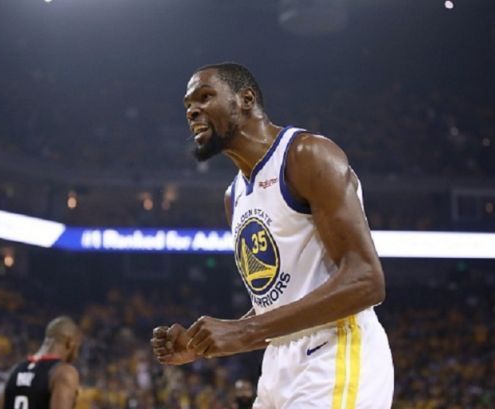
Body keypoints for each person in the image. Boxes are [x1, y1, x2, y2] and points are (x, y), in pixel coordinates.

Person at [151, 62, 394, 408]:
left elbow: (367, 281)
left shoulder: (306, 155)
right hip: (279, 365)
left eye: (205, 97)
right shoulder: (233, 198)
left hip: (336, 351)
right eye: (188, 104)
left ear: (246, 100)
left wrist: (242, 332)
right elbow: (277, 304)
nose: (192, 110)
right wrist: (201, 344)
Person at [2, 316, 81, 409]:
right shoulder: (64, 373)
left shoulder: (14, 370)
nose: (76, 354)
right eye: (77, 347)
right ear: (70, 343)